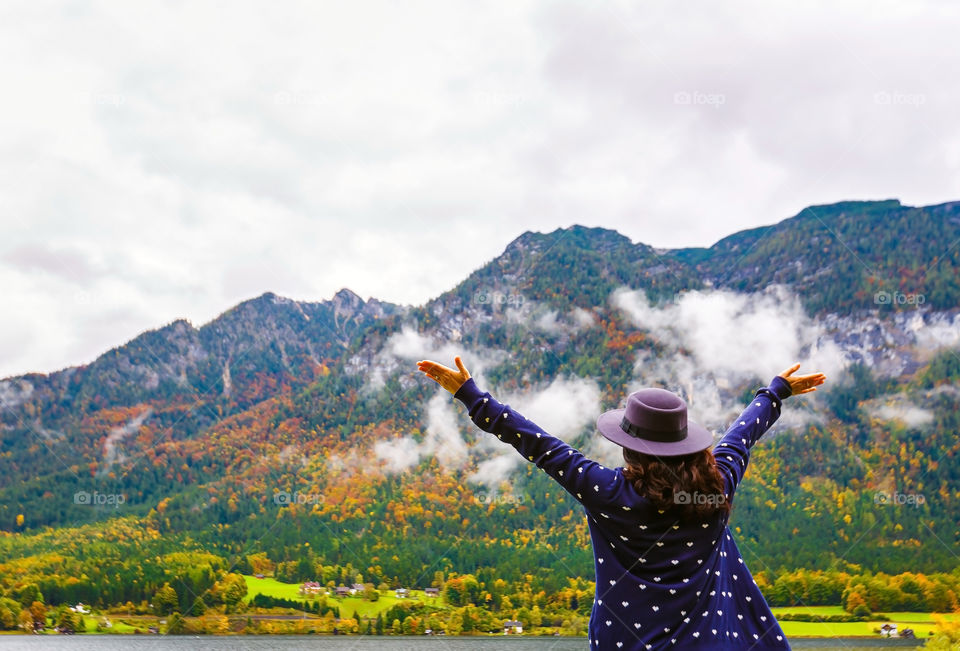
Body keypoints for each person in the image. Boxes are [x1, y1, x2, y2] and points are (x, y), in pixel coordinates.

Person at [416, 357, 825, 650]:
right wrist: (776, 392)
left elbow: (540, 446)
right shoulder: (717, 490)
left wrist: (472, 396)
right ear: (687, 444)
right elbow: (741, 436)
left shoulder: (609, 493)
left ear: (630, 449)